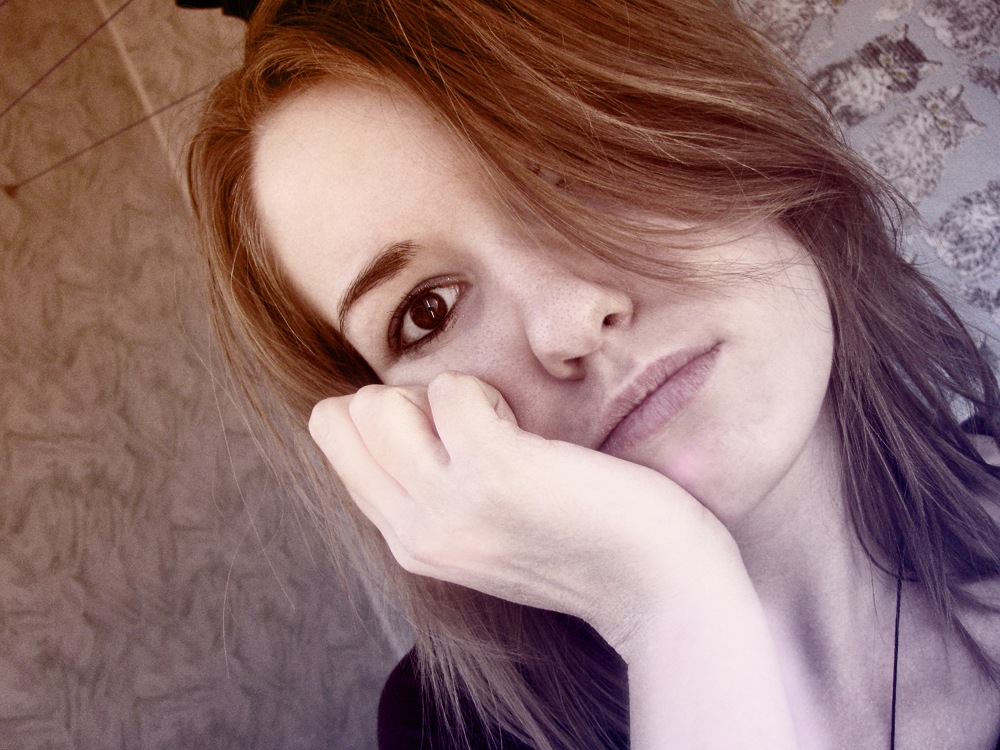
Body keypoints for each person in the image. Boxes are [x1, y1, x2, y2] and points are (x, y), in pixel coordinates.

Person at [186, 0, 1000, 747]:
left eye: (578, 168)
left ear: (738, 130)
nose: (569, 323)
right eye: (428, 311)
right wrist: (672, 612)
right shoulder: (445, 733)